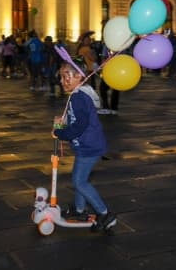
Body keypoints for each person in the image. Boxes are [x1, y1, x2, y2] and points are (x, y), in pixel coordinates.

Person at [52, 57, 117, 232]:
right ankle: (80, 210)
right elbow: (73, 119)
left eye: (66, 77)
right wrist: (61, 123)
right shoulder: (76, 96)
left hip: (90, 146)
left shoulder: (79, 98)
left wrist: (61, 133)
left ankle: (105, 213)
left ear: (79, 78)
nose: (61, 80)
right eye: (61, 76)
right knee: (79, 179)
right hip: (85, 146)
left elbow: (79, 126)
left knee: (79, 182)